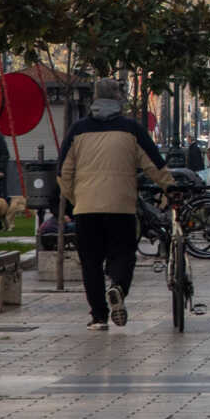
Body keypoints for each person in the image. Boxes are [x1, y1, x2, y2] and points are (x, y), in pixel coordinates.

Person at [57, 85, 169, 330]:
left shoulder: (77, 130)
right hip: (121, 206)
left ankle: (98, 316)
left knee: (91, 262)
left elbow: (63, 172)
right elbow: (154, 166)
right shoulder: (131, 129)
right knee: (123, 253)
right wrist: (170, 187)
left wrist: (76, 198)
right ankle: (118, 285)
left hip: (86, 208)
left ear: (94, 100)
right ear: (119, 100)